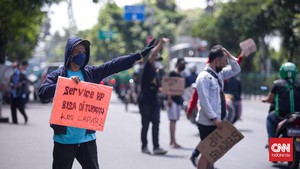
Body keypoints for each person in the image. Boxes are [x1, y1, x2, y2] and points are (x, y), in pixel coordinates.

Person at [38, 36, 156, 169]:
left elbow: (113, 65)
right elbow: (43, 92)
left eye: (83, 52)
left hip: (87, 139)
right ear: (69, 54)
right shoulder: (58, 75)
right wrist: (65, 84)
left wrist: (137, 56)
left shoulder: (91, 73)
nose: (81, 55)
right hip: (65, 139)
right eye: (77, 52)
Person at [187, 51, 244, 167]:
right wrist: (214, 118)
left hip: (217, 121)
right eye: (223, 62)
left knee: (212, 155)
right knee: (206, 154)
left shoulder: (219, 74)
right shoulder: (203, 77)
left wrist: (228, 54)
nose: (225, 65)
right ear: (216, 61)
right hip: (208, 122)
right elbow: (204, 101)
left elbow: (236, 69)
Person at [138, 38, 169, 155]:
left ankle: (156, 147)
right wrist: (161, 44)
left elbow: (159, 87)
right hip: (145, 102)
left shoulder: (158, 74)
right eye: (157, 60)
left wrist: (164, 90)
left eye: (159, 60)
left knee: (156, 124)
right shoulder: (148, 69)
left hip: (155, 102)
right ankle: (144, 146)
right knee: (145, 125)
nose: (158, 62)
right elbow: (152, 57)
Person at [262, 62, 300, 141]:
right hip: (298, 116)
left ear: (281, 72)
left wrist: (264, 100)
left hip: (282, 117)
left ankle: (272, 140)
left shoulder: (277, 84)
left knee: (270, 118)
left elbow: (270, 99)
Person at [164, 58, 186, 148]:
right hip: (171, 100)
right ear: (177, 64)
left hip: (178, 100)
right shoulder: (172, 73)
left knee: (174, 121)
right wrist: (169, 98)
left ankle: (172, 140)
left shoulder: (181, 76)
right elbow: (167, 85)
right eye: (181, 64)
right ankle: (173, 141)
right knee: (172, 120)